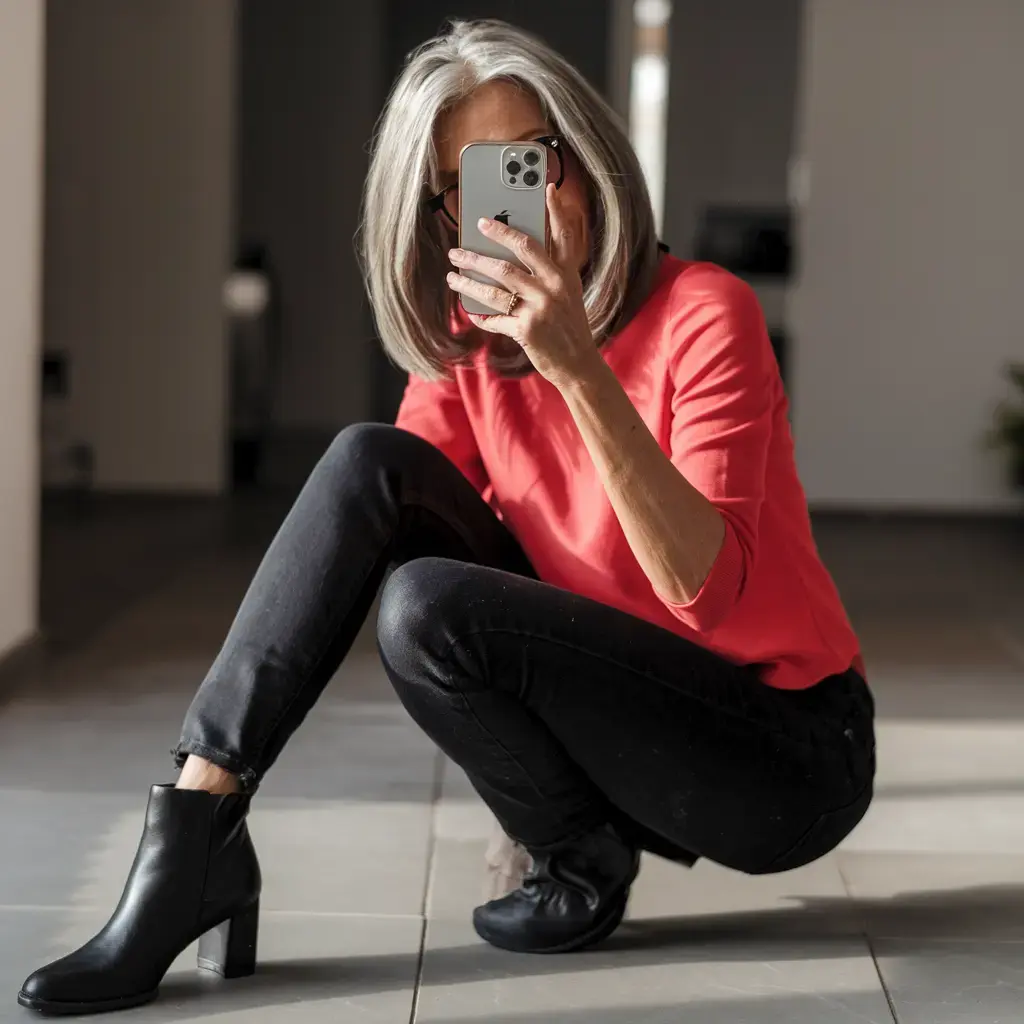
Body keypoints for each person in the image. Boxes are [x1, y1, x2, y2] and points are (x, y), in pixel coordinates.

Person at [18, 18, 875, 1017]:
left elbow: (701, 587)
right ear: (441, 219)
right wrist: (509, 351)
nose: (524, 205)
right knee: (372, 473)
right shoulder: (474, 344)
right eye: (474, 186)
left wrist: (573, 364)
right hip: (619, 720)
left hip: (781, 756)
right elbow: (386, 517)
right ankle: (195, 836)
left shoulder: (702, 312)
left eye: (531, 161)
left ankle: (567, 842)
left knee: (427, 596)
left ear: (583, 156)